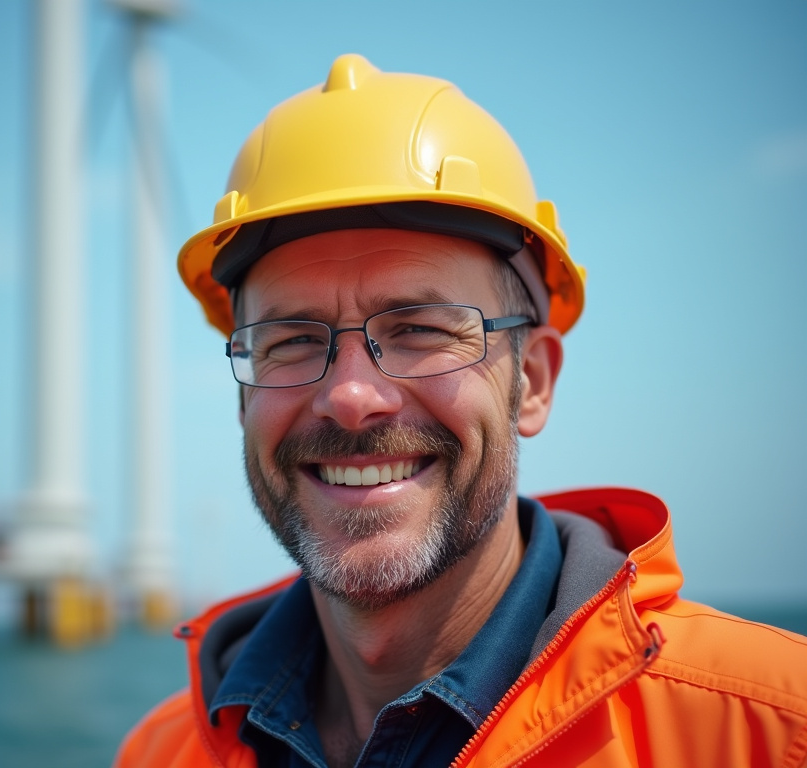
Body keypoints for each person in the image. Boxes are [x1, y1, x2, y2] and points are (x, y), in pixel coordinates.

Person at [117, 54, 807, 768]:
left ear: (532, 381)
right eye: (290, 342)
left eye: (420, 330)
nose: (351, 397)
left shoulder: (772, 730)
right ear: (243, 394)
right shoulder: (160, 753)